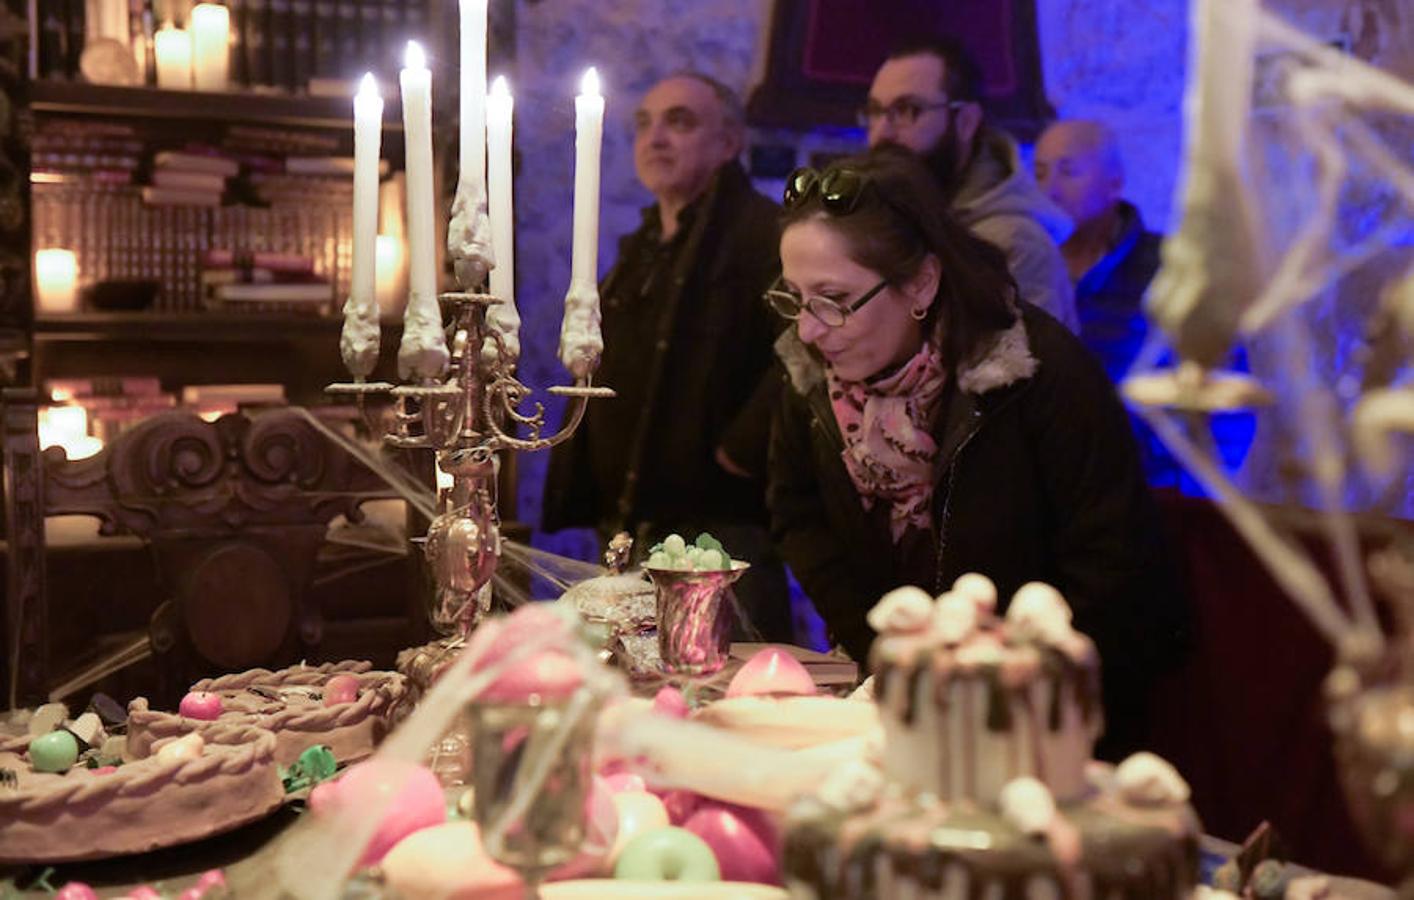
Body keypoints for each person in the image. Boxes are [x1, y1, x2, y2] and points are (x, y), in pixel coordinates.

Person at [766, 148, 1189, 757]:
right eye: (795, 297)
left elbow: (1110, 568)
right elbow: (796, 510)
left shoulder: (1037, 376)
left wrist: (994, 683)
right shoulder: (811, 370)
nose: (807, 328)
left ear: (921, 283)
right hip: (899, 703)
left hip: (1042, 723)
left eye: (833, 298)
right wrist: (883, 647)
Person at [542, 72, 792, 642]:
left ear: (729, 142)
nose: (656, 138)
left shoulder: (763, 235)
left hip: (723, 528)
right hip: (636, 520)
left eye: (679, 121)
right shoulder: (647, 244)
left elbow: (807, 348)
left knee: (731, 699)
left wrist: (742, 446)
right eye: (645, 123)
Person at [864, 38, 1078, 333]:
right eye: (875, 111)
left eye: (908, 110)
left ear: (965, 121)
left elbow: (1026, 373)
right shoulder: (879, 221)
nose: (882, 133)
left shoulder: (1015, 244)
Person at [1034, 119, 1164, 382]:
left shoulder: (1166, 264)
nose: (1051, 190)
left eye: (1068, 171)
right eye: (1040, 174)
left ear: (1114, 183)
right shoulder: (1026, 261)